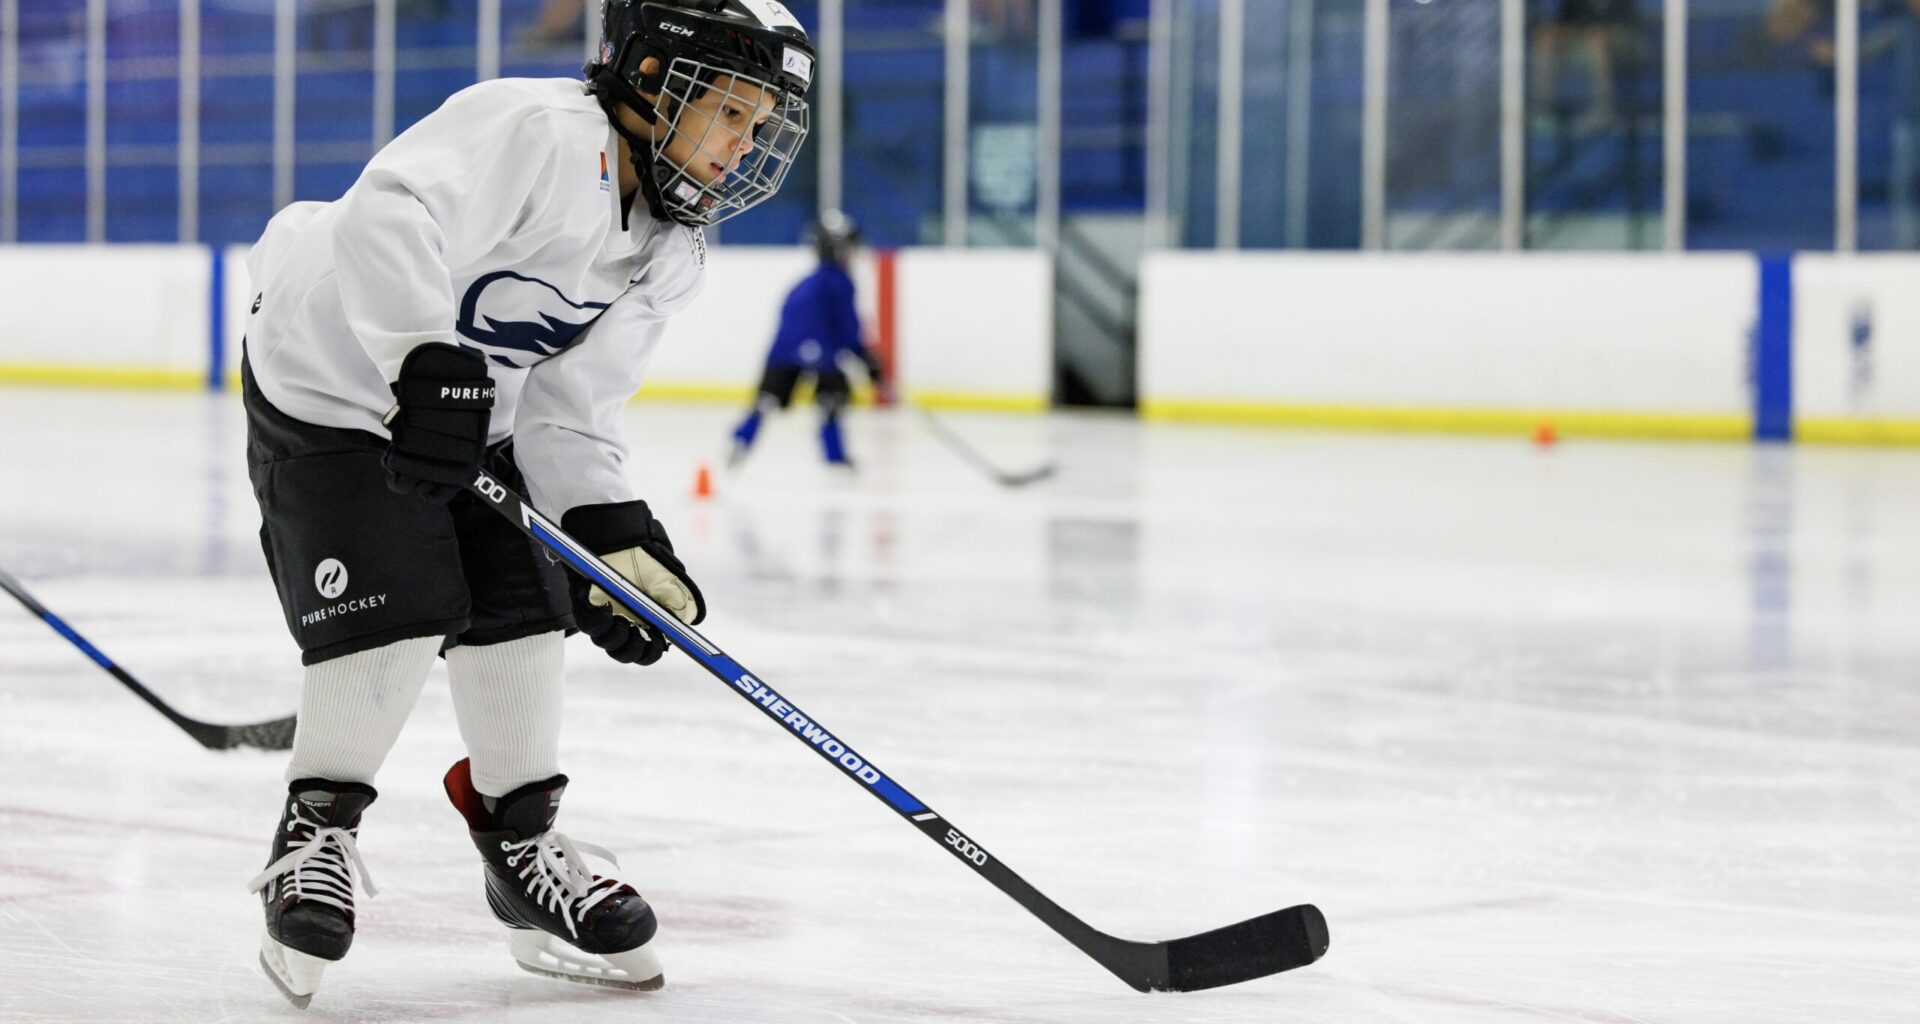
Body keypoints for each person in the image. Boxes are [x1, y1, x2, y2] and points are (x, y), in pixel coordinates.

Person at [238, 0, 813, 1007]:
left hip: (466, 412)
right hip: (325, 379)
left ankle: (522, 848)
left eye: (760, 126)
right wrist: (423, 353)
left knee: (520, 600)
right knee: (398, 598)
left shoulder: (668, 252)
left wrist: (615, 533)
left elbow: (570, 411)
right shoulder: (539, 133)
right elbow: (389, 208)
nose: (744, 146)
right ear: (651, 82)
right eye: (731, 112)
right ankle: (314, 830)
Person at [728, 210, 885, 470]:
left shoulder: (803, 284)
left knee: (767, 400)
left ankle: (741, 440)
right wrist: (864, 356)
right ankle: (835, 457)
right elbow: (847, 327)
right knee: (832, 400)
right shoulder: (839, 282)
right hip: (821, 353)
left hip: (784, 351)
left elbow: (788, 327)